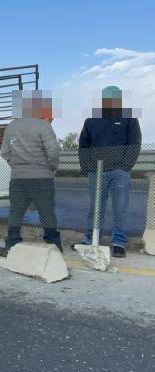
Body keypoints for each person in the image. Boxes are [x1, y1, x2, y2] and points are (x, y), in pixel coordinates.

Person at [74, 86, 142, 258]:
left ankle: (119, 243)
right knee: (95, 208)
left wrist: (125, 166)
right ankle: (91, 240)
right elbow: (84, 145)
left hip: (119, 172)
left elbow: (134, 144)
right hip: (96, 172)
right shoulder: (92, 120)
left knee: (120, 208)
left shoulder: (129, 118)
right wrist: (87, 167)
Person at [0, 91, 62, 257]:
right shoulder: (43, 125)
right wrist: (51, 167)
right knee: (47, 212)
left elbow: (4, 152)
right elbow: (53, 151)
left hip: (18, 178)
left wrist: (16, 165)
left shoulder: (11, 126)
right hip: (42, 178)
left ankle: (11, 246)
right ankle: (55, 246)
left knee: (16, 213)